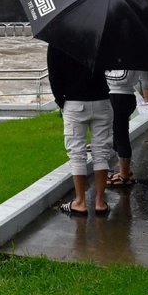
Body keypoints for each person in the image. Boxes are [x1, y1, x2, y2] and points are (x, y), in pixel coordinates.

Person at [47, 44, 112, 216]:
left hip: (74, 102)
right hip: (101, 100)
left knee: (77, 153)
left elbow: (54, 76)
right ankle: (99, 202)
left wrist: (62, 102)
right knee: (102, 152)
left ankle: (80, 202)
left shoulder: (58, 40)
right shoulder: (101, 37)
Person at [105, 70, 141, 187]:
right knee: (117, 134)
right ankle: (124, 171)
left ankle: (124, 176)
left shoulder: (129, 55)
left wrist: (102, 73)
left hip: (121, 97)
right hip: (118, 96)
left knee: (121, 136)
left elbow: (124, 77)